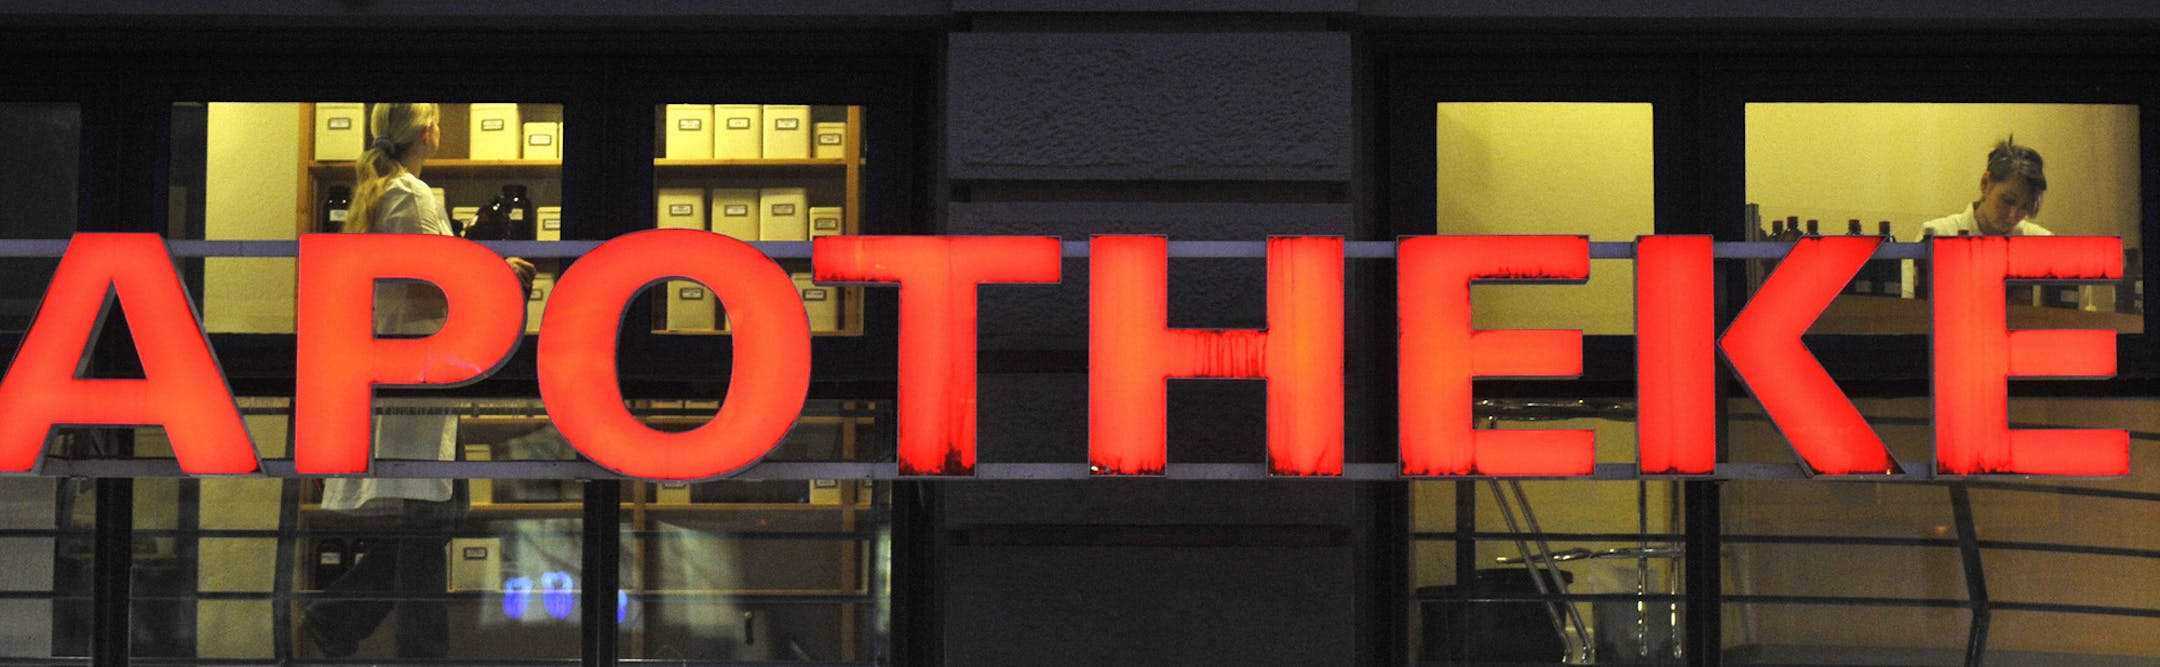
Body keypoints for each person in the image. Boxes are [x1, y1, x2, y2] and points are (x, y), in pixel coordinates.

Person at [304, 102, 535, 659]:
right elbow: (422, 286)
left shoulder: (396, 193)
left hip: (417, 379)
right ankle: (408, 648)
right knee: (425, 534)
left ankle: (336, 617)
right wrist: (497, 278)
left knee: (438, 520)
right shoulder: (409, 194)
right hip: (417, 379)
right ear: (429, 130)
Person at [1918, 137, 2053, 238]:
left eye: (2024, 207)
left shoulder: (2040, 241)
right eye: (2007, 201)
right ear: (1985, 183)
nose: (2013, 215)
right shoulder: (1938, 234)